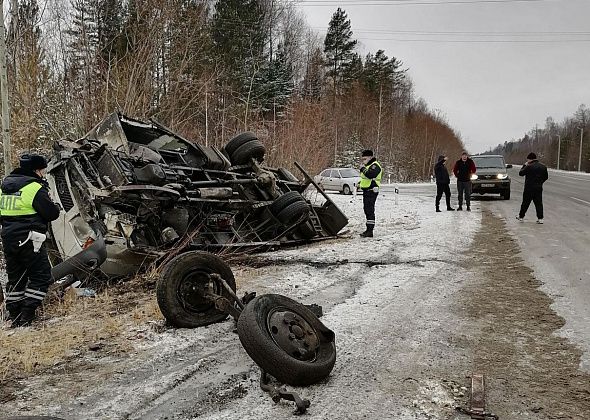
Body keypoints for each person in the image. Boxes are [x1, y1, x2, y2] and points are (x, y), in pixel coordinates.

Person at [0, 154, 61, 327]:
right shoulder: (34, 188)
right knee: (41, 276)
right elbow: (51, 214)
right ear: (35, 170)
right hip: (30, 239)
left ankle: (14, 316)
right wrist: (54, 204)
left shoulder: (3, 188)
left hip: (9, 239)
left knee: (16, 278)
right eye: (42, 170)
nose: (43, 174)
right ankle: (28, 314)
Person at [516, 152, 548, 224]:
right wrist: (540, 182)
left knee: (525, 203)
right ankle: (540, 218)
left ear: (529, 159)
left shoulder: (529, 166)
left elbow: (521, 173)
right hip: (538, 188)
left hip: (529, 188)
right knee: (539, 203)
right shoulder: (543, 166)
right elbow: (546, 177)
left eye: (527, 160)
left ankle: (521, 217)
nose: (527, 161)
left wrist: (524, 165)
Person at [359, 149, 383, 238]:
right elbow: (365, 178)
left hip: (372, 190)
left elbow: (370, 175)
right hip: (367, 190)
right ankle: (368, 230)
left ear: (370, 157)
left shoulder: (375, 166)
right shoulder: (369, 166)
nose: (363, 161)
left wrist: (362, 169)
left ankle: (370, 231)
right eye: (362, 159)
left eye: (365, 159)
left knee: (369, 211)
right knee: (367, 210)